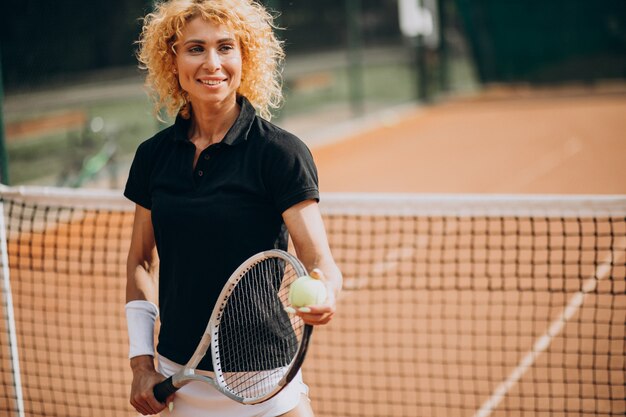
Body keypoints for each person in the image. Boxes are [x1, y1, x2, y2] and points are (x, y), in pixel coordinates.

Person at [123, 0, 342, 416]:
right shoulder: (153, 157)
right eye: (195, 48)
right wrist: (141, 363)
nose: (212, 63)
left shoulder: (279, 154)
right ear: (172, 61)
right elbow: (139, 260)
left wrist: (327, 292)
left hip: (265, 381)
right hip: (179, 378)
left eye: (226, 47)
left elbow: (319, 260)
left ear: (246, 57)